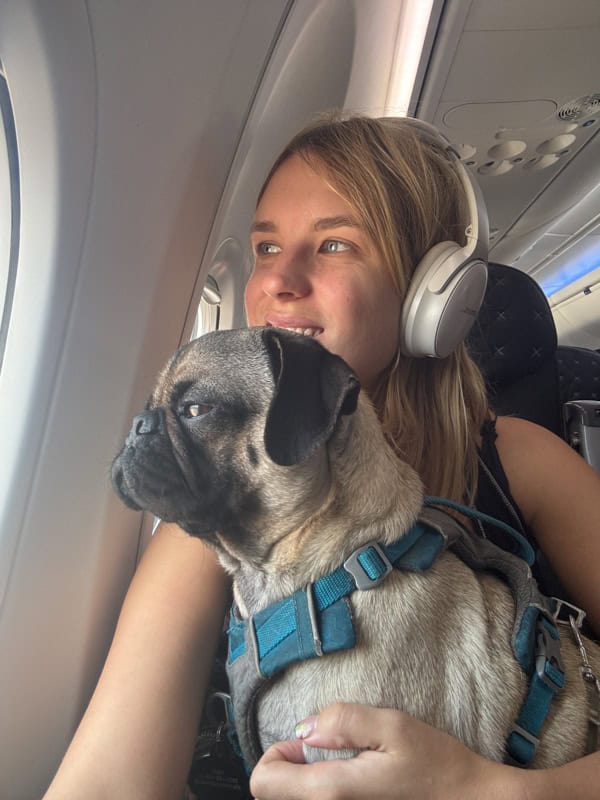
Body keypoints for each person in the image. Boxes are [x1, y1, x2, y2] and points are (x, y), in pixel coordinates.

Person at [44, 114, 600, 800]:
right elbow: (106, 784)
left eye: (334, 244)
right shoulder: (219, 516)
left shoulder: (525, 461)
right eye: (265, 248)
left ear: (436, 289)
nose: (279, 281)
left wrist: (500, 793)